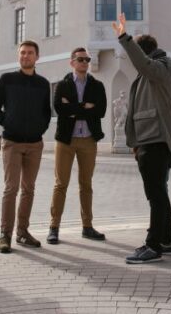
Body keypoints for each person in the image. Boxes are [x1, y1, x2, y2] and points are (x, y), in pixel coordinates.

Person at [112, 13, 171, 264]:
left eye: (136, 54)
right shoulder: (150, 73)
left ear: (143, 52)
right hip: (147, 140)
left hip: (156, 140)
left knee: (156, 195)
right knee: (159, 193)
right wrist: (136, 142)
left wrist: (124, 38)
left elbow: (143, 63)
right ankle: (167, 242)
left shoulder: (161, 66)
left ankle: (153, 246)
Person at [0, 40, 52, 254]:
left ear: (37, 57)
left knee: (29, 189)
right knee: (11, 188)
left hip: (35, 143)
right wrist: (8, 123)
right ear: (19, 56)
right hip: (12, 142)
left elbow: (46, 112)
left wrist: (40, 128)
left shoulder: (43, 83)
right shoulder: (7, 79)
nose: (26, 56)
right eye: (22, 53)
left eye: (30, 53)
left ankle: (22, 232)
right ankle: (5, 235)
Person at [47, 47, 108, 245]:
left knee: (86, 184)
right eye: (80, 59)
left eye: (87, 59)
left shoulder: (97, 85)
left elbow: (101, 110)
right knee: (60, 184)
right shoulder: (62, 85)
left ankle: (87, 227)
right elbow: (59, 109)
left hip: (89, 140)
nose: (84, 62)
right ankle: (54, 227)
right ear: (72, 62)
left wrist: (73, 109)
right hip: (66, 140)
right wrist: (85, 107)